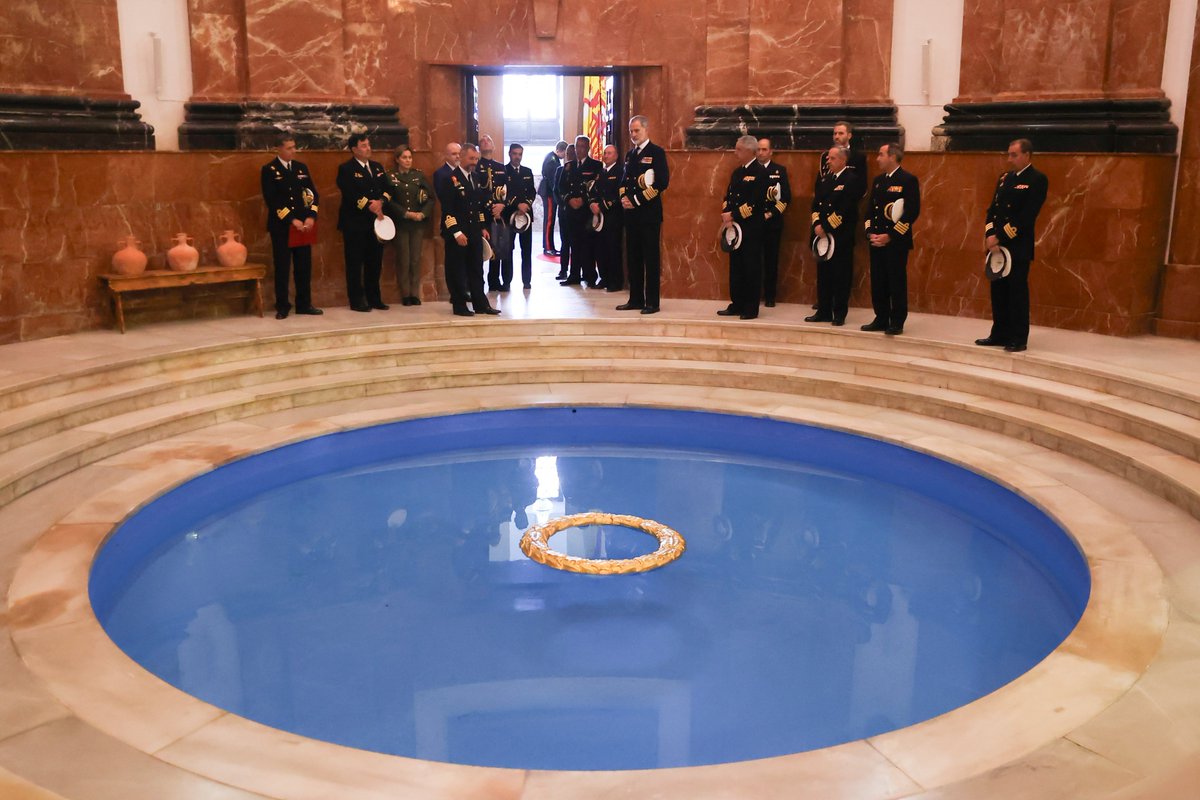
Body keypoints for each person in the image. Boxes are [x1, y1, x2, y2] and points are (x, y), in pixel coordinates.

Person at [976, 138, 1048, 352]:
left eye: (1014, 155)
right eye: (1008, 154)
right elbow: (992, 211)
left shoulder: (1037, 179)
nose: (1009, 159)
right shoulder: (1004, 178)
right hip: (996, 246)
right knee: (998, 291)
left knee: (1016, 292)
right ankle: (999, 333)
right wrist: (990, 234)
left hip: (1017, 247)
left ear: (1027, 155)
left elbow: (1027, 216)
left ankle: (1018, 337)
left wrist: (1000, 237)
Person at [260, 133, 322, 319]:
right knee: (282, 266)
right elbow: (272, 200)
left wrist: (311, 216)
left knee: (304, 266)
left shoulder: (301, 168)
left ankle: (304, 303)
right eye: (289, 148)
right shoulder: (270, 169)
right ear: (279, 148)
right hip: (283, 227)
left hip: (304, 226)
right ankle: (283, 305)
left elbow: (312, 194)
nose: (293, 151)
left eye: (294, 147)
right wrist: (292, 220)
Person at [435, 142, 499, 317]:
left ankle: (480, 304)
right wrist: (456, 232)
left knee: (476, 269)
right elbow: (447, 209)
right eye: (471, 158)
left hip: (473, 231)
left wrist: (482, 227)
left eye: (476, 159)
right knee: (456, 270)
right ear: (461, 157)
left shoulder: (475, 178)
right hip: (458, 233)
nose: (474, 162)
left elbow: (476, 207)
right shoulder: (449, 179)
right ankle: (459, 304)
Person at [862, 143, 921, 335]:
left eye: (881, 154)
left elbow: (912, 213)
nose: (877, 158)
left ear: (892, 157)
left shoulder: (908, 180)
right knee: (878, 281)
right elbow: (870, 210)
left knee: (895, 281)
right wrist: (870, 232)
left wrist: (891, 236)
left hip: (896, 241)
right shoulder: (878, 181)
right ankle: (880, 317)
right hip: (877, 239)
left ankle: (896, 321)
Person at [806, 146, 864, 326]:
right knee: (824, 276)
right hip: (822, 236)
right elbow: (816, 206)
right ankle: (824, 311)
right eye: (828, 158)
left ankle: (839, 313)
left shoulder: (851, 180)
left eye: (831, 158)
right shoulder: (825, 180)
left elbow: (846, 209)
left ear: (842, 160)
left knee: (841, 276)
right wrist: (816, 224)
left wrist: (827, 226)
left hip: (840, 237)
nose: (828, 161)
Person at [618, 114, 670, 314]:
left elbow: (662, 182)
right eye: (631, 131)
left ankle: (652, 302)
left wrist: (636, 200)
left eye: (637, 130)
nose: (633, 134)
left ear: (646, 130)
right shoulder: (630, 155)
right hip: (631, 216)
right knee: (633, 258)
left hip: (648, 215)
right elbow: (624, 181)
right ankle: (636, 298)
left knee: (650, 258)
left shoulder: (656, 152)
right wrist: (624, 198)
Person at [336, 133, 392, 312]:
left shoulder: (377, 167)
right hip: (355, 223)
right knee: (355, 263)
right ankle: (357, 299)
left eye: (368, 144)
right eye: (364, 145)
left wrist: (381, 202)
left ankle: (374, 297)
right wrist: (369, 204)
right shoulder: (346, 169)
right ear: (354, 149)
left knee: (374, 262)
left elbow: (387, 189)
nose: (368, 148)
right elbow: (349, 193)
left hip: (376, 223)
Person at [718, 135, 770, 320]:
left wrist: (734, 215)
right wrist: (726, 213)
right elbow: (729, 197)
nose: (735, 152)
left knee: (751, 268)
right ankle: (737, 303)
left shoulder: (761, 172)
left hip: (751, 228)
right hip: (734, 228)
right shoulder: (737, 172)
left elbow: (755, 203)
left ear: (749, 151)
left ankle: (750, 307)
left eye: (738, 149)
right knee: (736, 267)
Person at [384, 145, 435, 306]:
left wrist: (423, 213)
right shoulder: (390, 176)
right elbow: (388, 200)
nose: (408, 160)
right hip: (401, 223)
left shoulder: (418, 176)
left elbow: (430, 198)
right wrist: (405, 213)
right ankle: (405, 294)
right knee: (403, 259)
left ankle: (415, 293)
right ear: (397, 159)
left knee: (415, 259)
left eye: (410, 157)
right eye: (404, 157)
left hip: (417, 224)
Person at [558, 134, 602, 286]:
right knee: (574, 244)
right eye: (577, 146)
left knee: (588, 245)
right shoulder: (569, 166)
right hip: (572, 212)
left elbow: (595, 187)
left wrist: (583, 199)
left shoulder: (595, 165)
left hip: (586, 212)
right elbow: (560, 187)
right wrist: (569, 199)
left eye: (583, 146)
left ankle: (590, 276)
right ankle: (574, 275)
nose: (580, 150)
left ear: (588, 148)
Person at [756, 137, 790, 307]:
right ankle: (754, 294)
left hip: (772, 223)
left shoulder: (779, 171)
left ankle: (770, 296)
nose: (760, 153)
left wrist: (770, 214)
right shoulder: (749, 169)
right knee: (753, 260)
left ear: (771, 152)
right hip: (752, 223)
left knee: (771, 260)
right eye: (758, 149)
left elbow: (785, 198)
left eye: (764, 149)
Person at [502, 142, 537, 290]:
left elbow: (532, 192)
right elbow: (504, 192)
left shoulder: (527, 172)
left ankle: (526, 281)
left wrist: (526, 205)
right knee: (507, 250)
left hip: (525, 217)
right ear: (509, 154)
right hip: (509, 215)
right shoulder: (503, 171)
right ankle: (507, 281)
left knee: (526, 250)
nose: (517, 157)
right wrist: (517, 205)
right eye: (515, 154)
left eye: (520, 154)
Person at [477, 134, 509, 292]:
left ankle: (494, 281)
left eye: (489, 139)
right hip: (483, 214)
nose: (486, 141)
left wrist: (502, 206)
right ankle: (478, 283)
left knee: (497, 249)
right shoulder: (476, 166)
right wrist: (491, 207)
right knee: (482, 249)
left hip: (499, 215)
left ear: (494, 146)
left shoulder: (500, 167)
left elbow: (506, 190)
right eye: (482, 140)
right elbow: (478, 192)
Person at [592, 144, 625, 292]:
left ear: (616, 156)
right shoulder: (601, 172)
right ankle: (604, 277)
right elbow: (595, 191)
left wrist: (603, 206)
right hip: (599, 217)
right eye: (605, 153)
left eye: (610, 153)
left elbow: (618, 194)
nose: (606, 156)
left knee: (613, 249)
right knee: (600, 249)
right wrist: (592, 203)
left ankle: (615, 281)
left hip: (613, 216)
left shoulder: (620, 172)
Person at [553, 143, 576, 281]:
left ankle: (576, 272)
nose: (569, 156)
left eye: (572, 154)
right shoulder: (560, 170)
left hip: (577, 213)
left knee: (576, 243)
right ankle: (563, 270)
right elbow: (556, 190)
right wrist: (563, 204)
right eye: (568, 154)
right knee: (564, 242)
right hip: (564, 212)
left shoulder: (578, 169)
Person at [539, 140, 566, 256]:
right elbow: (552, 181)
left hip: (549, 192)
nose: (565, 156)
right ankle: (548, 247)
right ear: (560, 150)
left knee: (550, 220)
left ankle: (550, 246)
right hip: (549, 193)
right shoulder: (552, 161)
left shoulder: (553, 158)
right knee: (549, 220)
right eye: (564, 153)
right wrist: (558, 195)